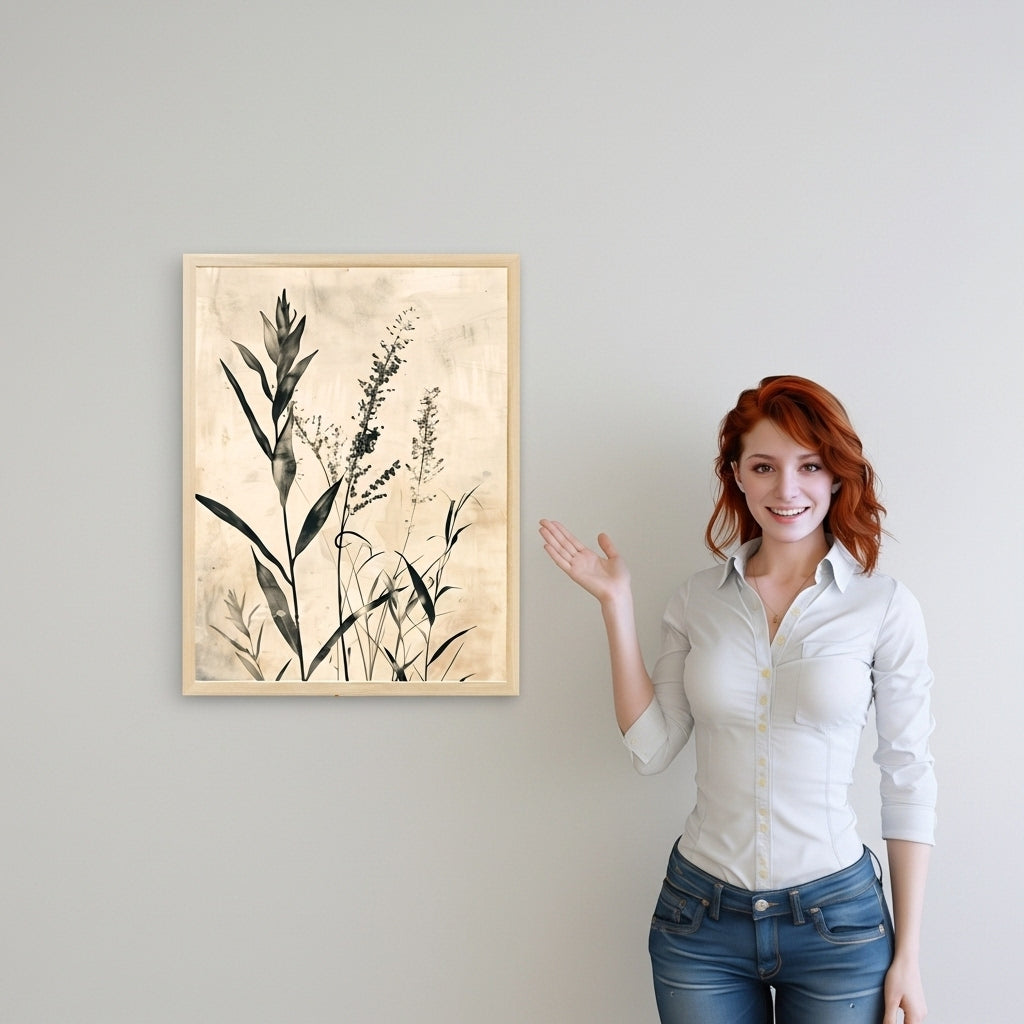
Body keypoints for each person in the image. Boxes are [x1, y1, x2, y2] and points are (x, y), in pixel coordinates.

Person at [539, 375, 935, 1024]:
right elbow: (652, 749)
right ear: (737, 476)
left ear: (836, 476)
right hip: (700, 921)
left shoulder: (883, 606)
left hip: (838, 923)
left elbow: (909, 776)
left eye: (809, 465)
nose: (787, 488)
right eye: (764, 466)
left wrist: (910, 955)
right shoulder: (696, 600)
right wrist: (616, 604)